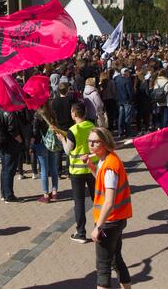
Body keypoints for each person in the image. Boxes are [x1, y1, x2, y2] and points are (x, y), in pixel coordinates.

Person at [84, 127, 132, 289]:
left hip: (109, 222)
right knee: (116, 258)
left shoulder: (110, 166)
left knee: (103, 267)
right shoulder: (107, 159)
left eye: (95, 142)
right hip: (117, 219)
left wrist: (98, 227)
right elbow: (102, 181)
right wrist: (91, 166)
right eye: (89, 141)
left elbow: (109, 201)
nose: (91, 145)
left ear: (104, 142)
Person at [59, 101, 97, 243]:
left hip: (77, 171)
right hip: (91, 167)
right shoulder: (92, 126)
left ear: (74, 114)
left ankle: (81, 232)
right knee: (96, 199)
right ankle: (99, 228)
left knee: (79, 202)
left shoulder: (72, 130)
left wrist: (62, 139)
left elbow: (68, 150)